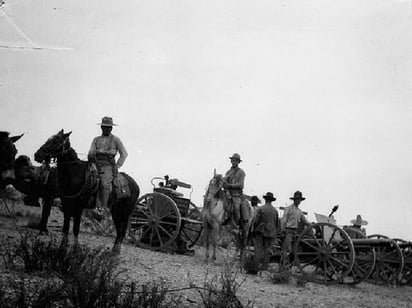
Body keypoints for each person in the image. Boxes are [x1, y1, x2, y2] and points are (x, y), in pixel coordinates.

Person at [88, 116, 128, 212]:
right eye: (105, 127)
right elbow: (91, 153)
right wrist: (91, 159)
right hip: (94, 164)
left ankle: (103, 208)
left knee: (104, 184)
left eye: (109, 127)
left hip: (108, 166)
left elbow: (124, 154)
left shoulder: (115, 140)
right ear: (101, 127)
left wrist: (117, 166)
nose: (107, 129)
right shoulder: (96, 139)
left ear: (112, 128)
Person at [280, 191, 311, 267]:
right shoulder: (288, 208)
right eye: (297, 199)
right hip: (288, 230)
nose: (299, 201)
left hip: (295, 232)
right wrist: (283, 230)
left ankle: (288, 266)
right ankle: (283, 267)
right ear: (294, 200)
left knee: (293, 251)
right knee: (287, 250)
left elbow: (304, 220)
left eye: (300, 200)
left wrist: (311, 225)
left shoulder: (299, 211)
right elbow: (284, 220)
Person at [253, 192, 279, 269]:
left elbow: (256, 221)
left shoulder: (261, 209)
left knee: (258, 249)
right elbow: (276, 223)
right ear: (271, 200)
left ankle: (255, 266)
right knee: (267, 250)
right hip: (270, 233)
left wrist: (255, 228)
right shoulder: (275, 211)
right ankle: (264, 267)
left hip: (260, 231)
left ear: (265, 200)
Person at [222, 153, 246, 233]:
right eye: (233, 160)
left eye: (236, 160)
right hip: (227, 193)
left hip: (236, 195)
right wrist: (223, 182)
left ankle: (236, 226)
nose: (234, 162)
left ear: (238, 162)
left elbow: (241, 185)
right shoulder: (228, 172)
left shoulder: (241, 172)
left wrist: (230, 185)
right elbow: (224, 180)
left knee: (236, 208)